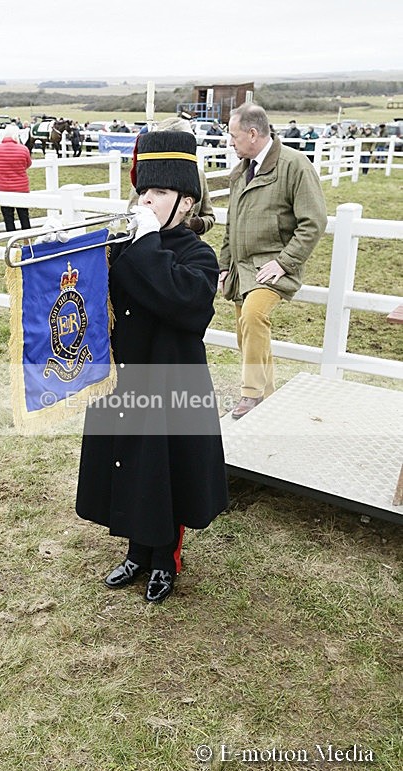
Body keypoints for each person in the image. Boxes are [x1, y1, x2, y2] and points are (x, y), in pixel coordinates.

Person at [76, 130, 228, 603]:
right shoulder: (126, 244)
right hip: (125, 377)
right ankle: (136, 552)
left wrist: (143, 242)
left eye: (159, 192)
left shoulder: (197, 254)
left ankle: (166, 559)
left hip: (170, 380)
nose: (146, 200)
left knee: (166, 471)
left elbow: (185, 303)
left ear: (186, 202)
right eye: (143, 190)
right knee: (130, 465)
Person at [218, 103, 327, 419]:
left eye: (234, 136)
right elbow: (231, 225)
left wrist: (284, 262)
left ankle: (251, 394)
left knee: (253, 316)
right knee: (246, 330)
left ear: (253, 133)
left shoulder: (294, 165)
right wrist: (224, 266)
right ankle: (267, 396)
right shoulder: (241, 171)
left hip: (273, 266)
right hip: (242, 268)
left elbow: (314, 221)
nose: (230, 142)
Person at [127, 117, 216, 235]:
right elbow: (132, 212)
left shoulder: (198, 175)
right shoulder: (147, 175)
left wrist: (197, 224)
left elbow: (209, 216)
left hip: (187, 241)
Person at [0, 124, 32, 231]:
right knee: (24, 215)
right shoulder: (23, 149)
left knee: (8, 216)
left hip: (4, 187)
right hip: (21, 188)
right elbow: (28, 164)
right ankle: (27, 238)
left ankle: (12, 238)